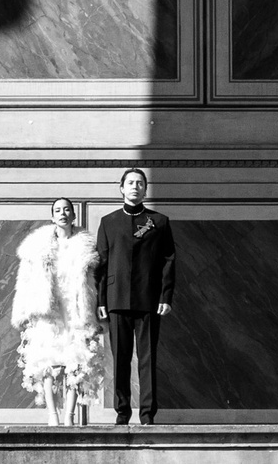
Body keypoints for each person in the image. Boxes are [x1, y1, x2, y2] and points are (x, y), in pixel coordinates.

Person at [89, 166, 176, 425]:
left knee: (148, 358)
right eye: (130, 183)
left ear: (145, 189)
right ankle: (122, 413)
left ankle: (147, 415)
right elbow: (101, 263)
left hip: (149, 298)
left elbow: (168, 260)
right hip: (116, 299)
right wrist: (101, 300)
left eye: (140, 183)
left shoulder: (159, 222)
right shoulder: (108, 222)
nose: (135, 187)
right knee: (121, 359)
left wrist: (165, 296)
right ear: (121, 188)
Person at [11, 198, 101, 424]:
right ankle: (52, 415)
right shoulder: (36, 247)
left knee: (76, 362)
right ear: (52, 217)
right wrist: (24, 310)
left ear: (73, 215)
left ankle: (69, 415)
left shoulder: (85, 246)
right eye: (58, 210)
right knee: (47, 362)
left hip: (75, 308)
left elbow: (95, 282)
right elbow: (25, 281)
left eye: (67, 210)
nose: (63, 213)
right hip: (48, 309)